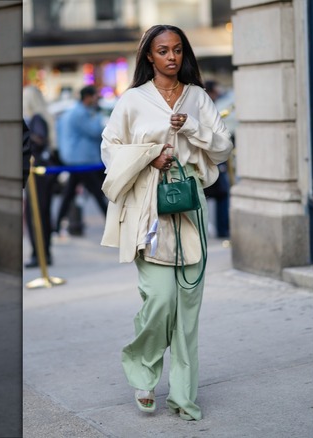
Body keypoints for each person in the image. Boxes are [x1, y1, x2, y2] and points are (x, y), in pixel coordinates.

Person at [100, 24, 233, 421]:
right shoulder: (132, 100)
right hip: (148, 207)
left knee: (188, 308)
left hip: (189, 203)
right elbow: (110, 148)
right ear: (149, 57)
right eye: (162, 50)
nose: (171, 57)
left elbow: (223, 148)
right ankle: (142, 370)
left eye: (177, 49)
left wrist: (190, 126)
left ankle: (183, 396)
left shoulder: (198, 97)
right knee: (159, 300)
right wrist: (150, 156)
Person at [54, 85, 109, 235]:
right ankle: (112, 224)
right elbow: (96, 131)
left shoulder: (75, 111)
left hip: (77, 159)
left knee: (69, 193)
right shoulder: (80, 113)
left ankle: (57, 225)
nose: (97, 100)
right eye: (96, 97)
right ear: (88, 97)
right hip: (82, 161)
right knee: (98, 193)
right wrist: (98, 114)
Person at [23, 84, 59, 267]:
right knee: (41, 214)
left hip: (38, 172)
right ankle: (43, 253)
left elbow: (38, 140)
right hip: (43, 172)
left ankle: (40, 254)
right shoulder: (43, 117)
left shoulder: (37, 118)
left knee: (36, 214)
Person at [202, 79, 231, 238]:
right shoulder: (208, 109)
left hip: (210, 158)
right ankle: (221, 230)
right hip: (211, 158)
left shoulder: (207, 107)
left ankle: (217, 229)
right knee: (221, 193)